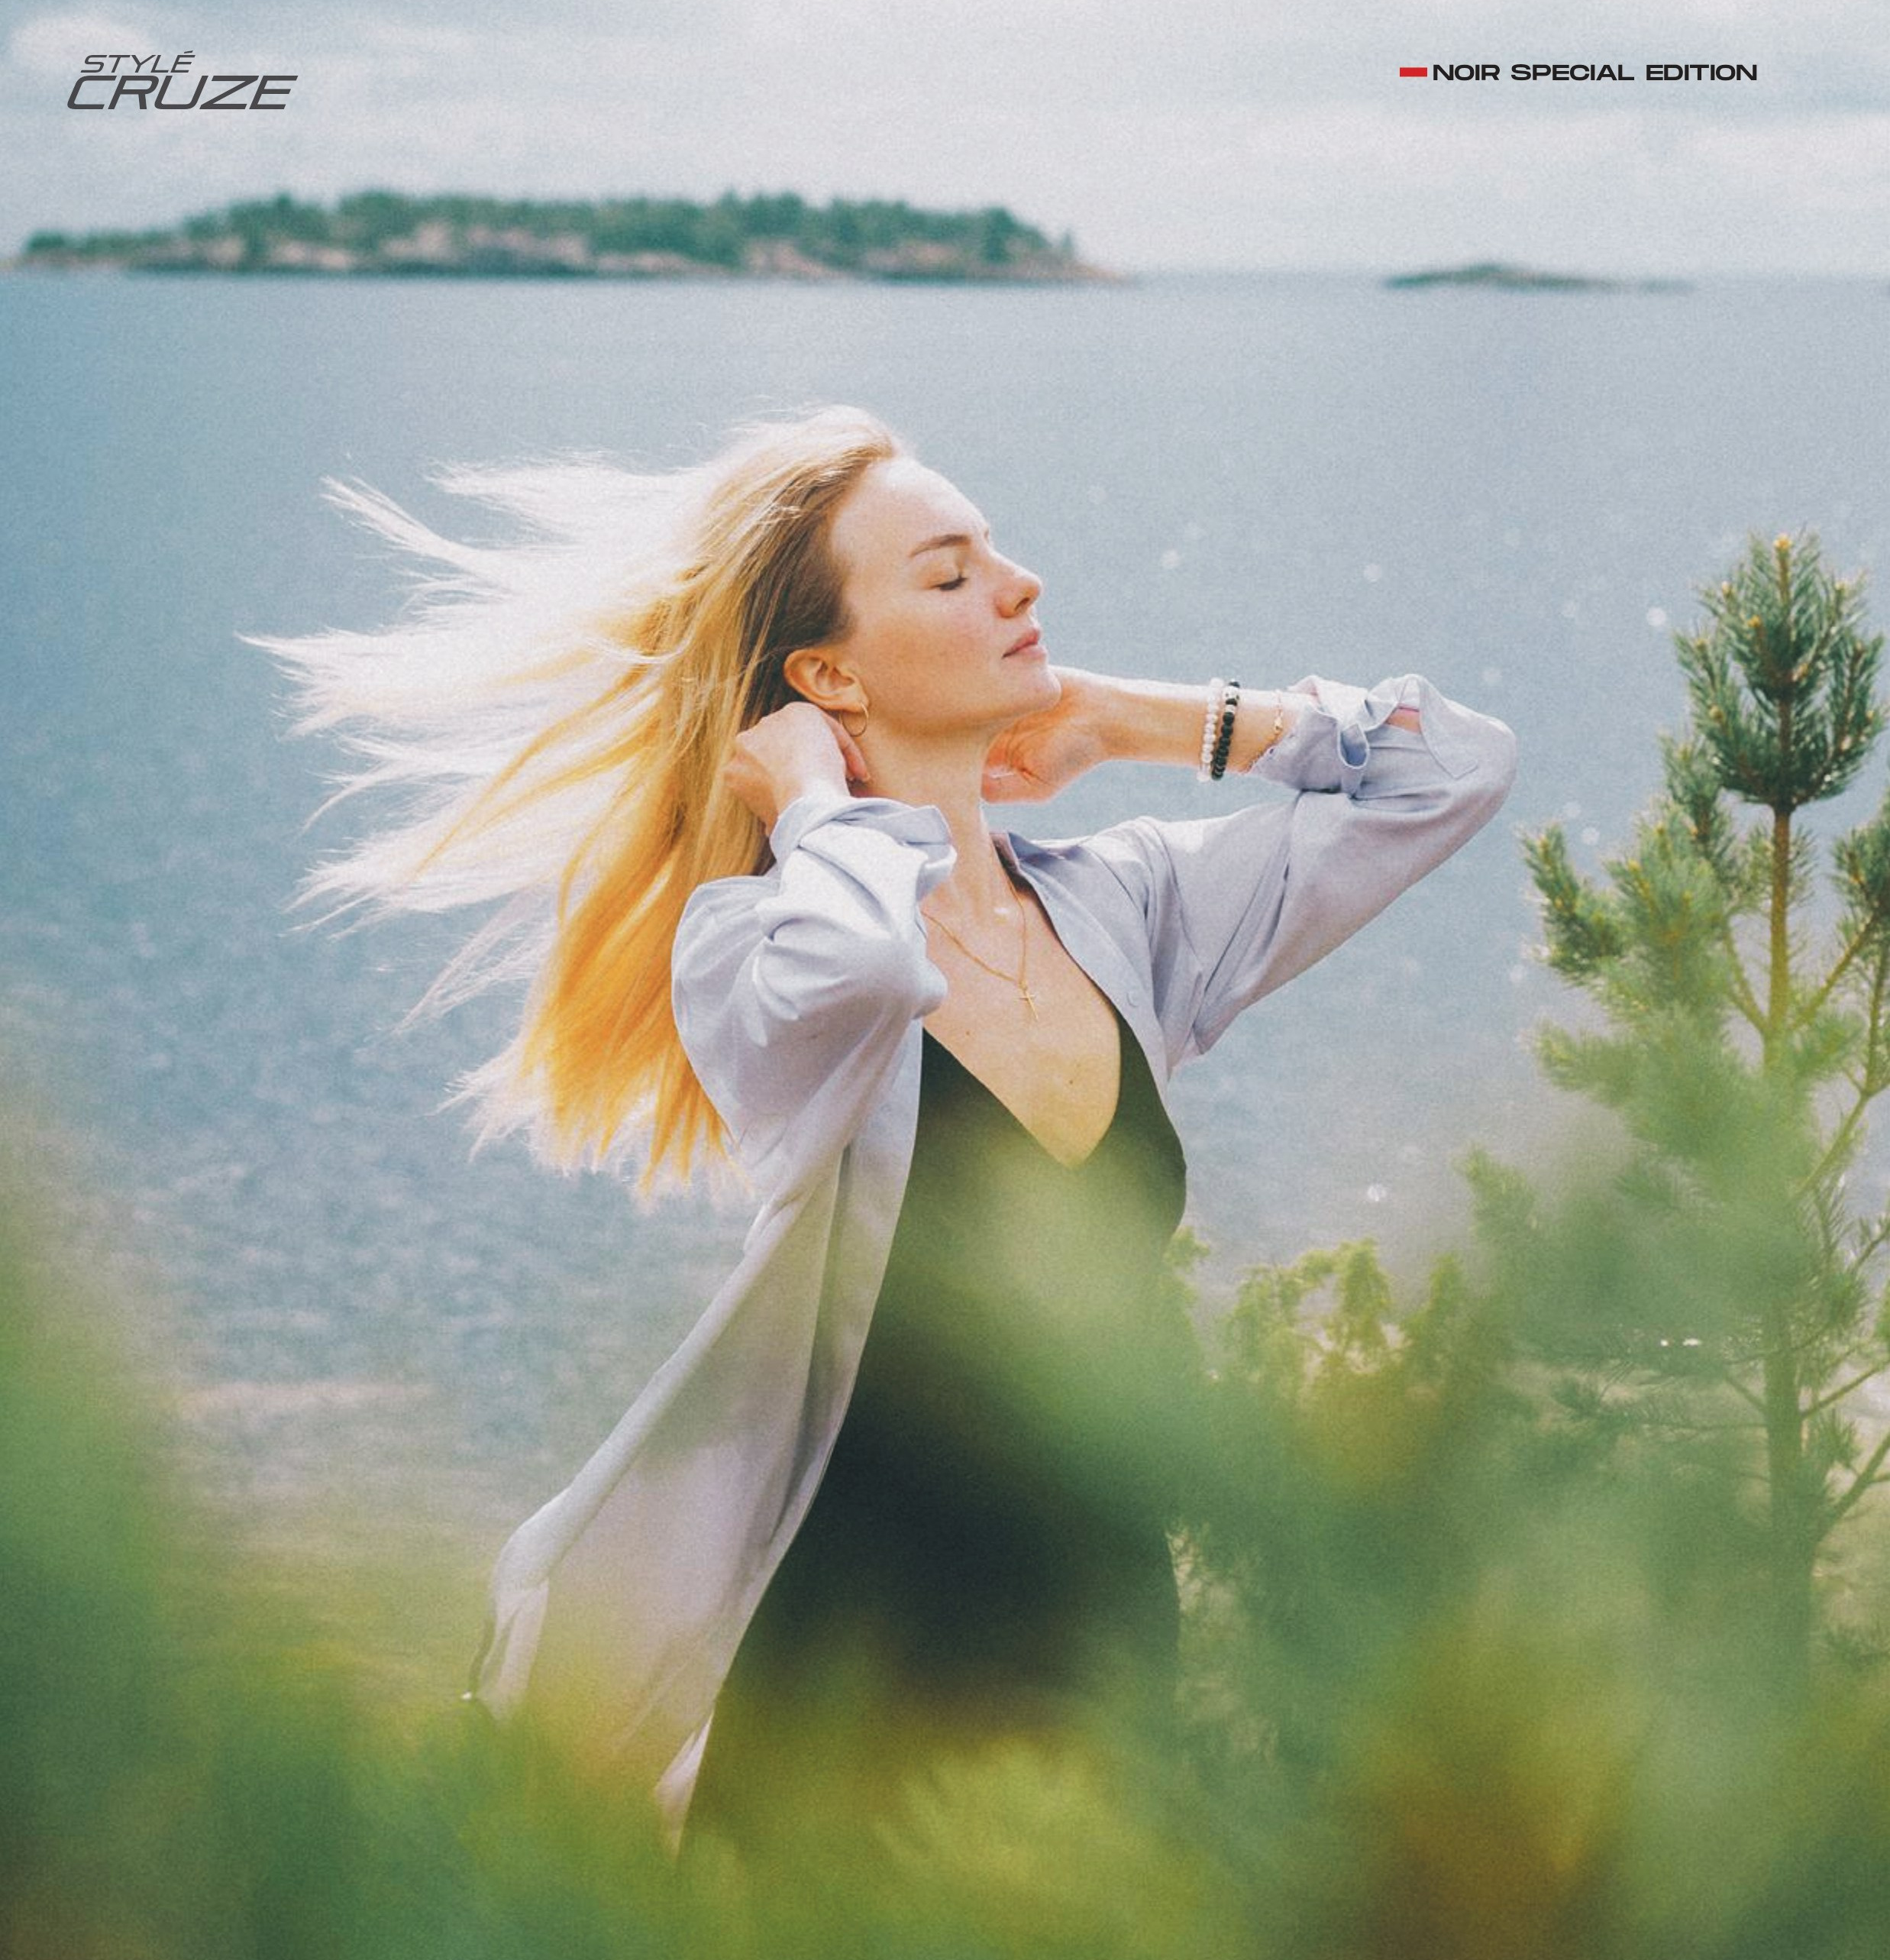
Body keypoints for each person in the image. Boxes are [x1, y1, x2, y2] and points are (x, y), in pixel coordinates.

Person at [245, 403, 1517, 1868]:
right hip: (848, 1699)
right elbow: (868, 969)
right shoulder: (751, 946)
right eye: (951, 572)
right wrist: (806, 799)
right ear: (828, 672)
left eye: (999, 555)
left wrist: (1139, 720)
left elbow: (1448, 773)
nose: (1019, 585)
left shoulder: (1126, 909)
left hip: (1101, 1650)